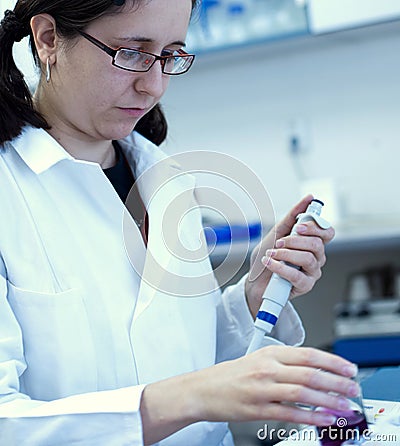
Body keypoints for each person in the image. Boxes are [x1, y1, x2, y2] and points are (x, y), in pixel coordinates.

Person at [0, 1, 359, 445]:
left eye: (171, 55)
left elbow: (184, 357)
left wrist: (252, 298)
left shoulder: (167, 179)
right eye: (132, 51)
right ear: (49, 39)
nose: (153, 86)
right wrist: (194, 396)